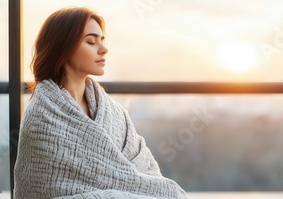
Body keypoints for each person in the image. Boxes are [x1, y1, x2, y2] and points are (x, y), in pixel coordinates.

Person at [13, 7, 187, 199]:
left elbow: (141, 162)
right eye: (90, 41)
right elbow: (43, 186)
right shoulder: (42, 116)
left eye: (102, 40)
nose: (103, 49)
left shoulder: (111, 110)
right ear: (64, 47)